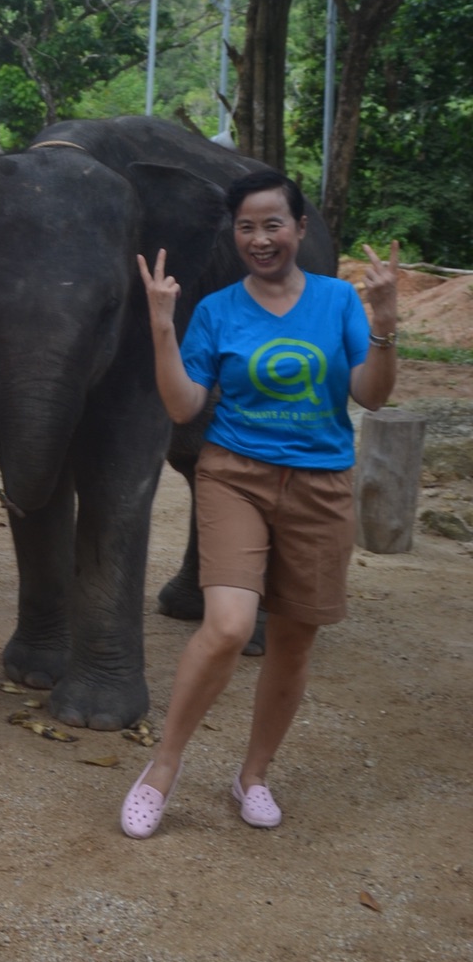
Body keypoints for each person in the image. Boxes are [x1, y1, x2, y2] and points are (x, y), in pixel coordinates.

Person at [120, 169, 399, 837]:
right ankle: (161, 769)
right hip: (235, 475)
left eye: (273, 223)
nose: (259, 238)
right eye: (246, 226)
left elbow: (372, 395)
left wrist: (385, 328)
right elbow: (185, 404)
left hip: (321, 485)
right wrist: (162, 327)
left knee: (294, 644)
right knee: (229, 625)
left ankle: (253, 775)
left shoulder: (336, 302)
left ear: (301, 229)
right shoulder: (217, 310)